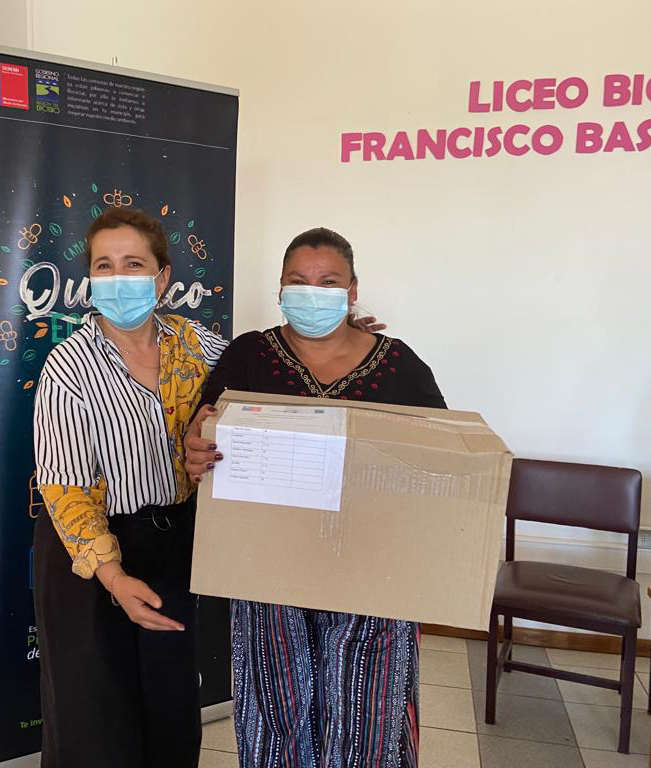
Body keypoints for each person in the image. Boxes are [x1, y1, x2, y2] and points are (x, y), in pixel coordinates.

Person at [184, 227, 447, 768]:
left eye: (328, 282)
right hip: (267, 574)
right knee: (275, 710)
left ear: (353, 291)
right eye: (298, 281)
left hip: (372, 576)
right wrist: (196, 450)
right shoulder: (249, 355)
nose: (312, 292)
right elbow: (207, 432)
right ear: (280, 288)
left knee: (368, 716)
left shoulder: (399, 364)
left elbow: (441, 459)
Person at [31, 207, 228, 767]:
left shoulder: (198, 347)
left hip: (172, 546)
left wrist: (338, 337)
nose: (118, 278)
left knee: (170, 710)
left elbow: (264, 374)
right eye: (104, 265)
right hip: (91, 556)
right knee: (96, 720)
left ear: (162, 277)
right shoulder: (70, 366)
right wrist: (114, 579)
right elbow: (66, 488)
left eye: (133, 264)